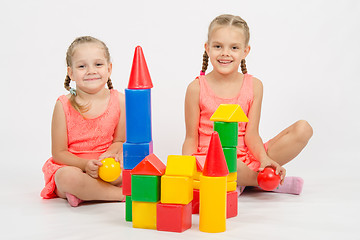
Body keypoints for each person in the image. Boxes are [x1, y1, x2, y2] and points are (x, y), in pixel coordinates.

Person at [182, 14, 313, 195]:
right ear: (207, 48)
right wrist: (186, 174)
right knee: (227, 161)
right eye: (218, 46)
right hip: (209, 159)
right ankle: (267, 181)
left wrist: (264, 158)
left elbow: (252, 134)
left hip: (246, 157)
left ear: (245, 51)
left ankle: (252, 176)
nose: (225, 53)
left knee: (303, 129)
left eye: (234, 48)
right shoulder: (196, 88)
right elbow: (191, 138)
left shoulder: (255, 86)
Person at [40, 36, 126, 206]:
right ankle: (119, 194)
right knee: (67, 178)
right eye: (81, 66)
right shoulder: (62, 105)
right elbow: (59, 153)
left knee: (135, 169)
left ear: (109, 68)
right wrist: (85, 165)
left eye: (98, 64)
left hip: (104, 166)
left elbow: (120, 140)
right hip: (74, 167)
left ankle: (86, 193)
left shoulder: (120, 101)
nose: (91, 70)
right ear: (71, 72)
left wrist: (110, 154)